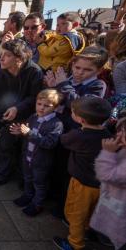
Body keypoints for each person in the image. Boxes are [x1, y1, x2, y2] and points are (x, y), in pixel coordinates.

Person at [53, 97, 112, 250]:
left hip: (82, 183)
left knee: (75, 213)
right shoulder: (107, 134)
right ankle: (87, 229)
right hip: (101, 185)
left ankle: (75, 243)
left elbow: (63, 140)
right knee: (90, 210)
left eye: (73, 112)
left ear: (81, 119)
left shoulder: (79, 135)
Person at [0, 39, 43, 189]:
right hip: (8, 116)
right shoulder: (0, 74)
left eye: (7, 55)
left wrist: (17, 108)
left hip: (29, 116)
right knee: (5, 146)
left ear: (19, 57)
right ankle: (1, 176)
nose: (1, 58)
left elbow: (35, 97)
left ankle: (25, 179)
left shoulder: (34, 71)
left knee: (26, 149)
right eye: (1, 54)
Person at [10, 89, 63, 216]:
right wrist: (21, 133)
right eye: (39, 104)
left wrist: (29, 133)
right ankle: (28, 196)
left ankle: (37, 204)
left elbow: (50, 143)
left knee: (39, 184)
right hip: (27, 157)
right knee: (27, 178)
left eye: (46, 106)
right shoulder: (33, 117)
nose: (41, 108)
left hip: (41, 162)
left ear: (55, 107)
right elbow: (28, 135)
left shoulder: (56, 124)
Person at [90, 117, 126, 250]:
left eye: (124, 132)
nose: (119, 134)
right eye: (120, 130)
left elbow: (106, 175)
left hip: (120, 214)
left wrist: (108, 152)